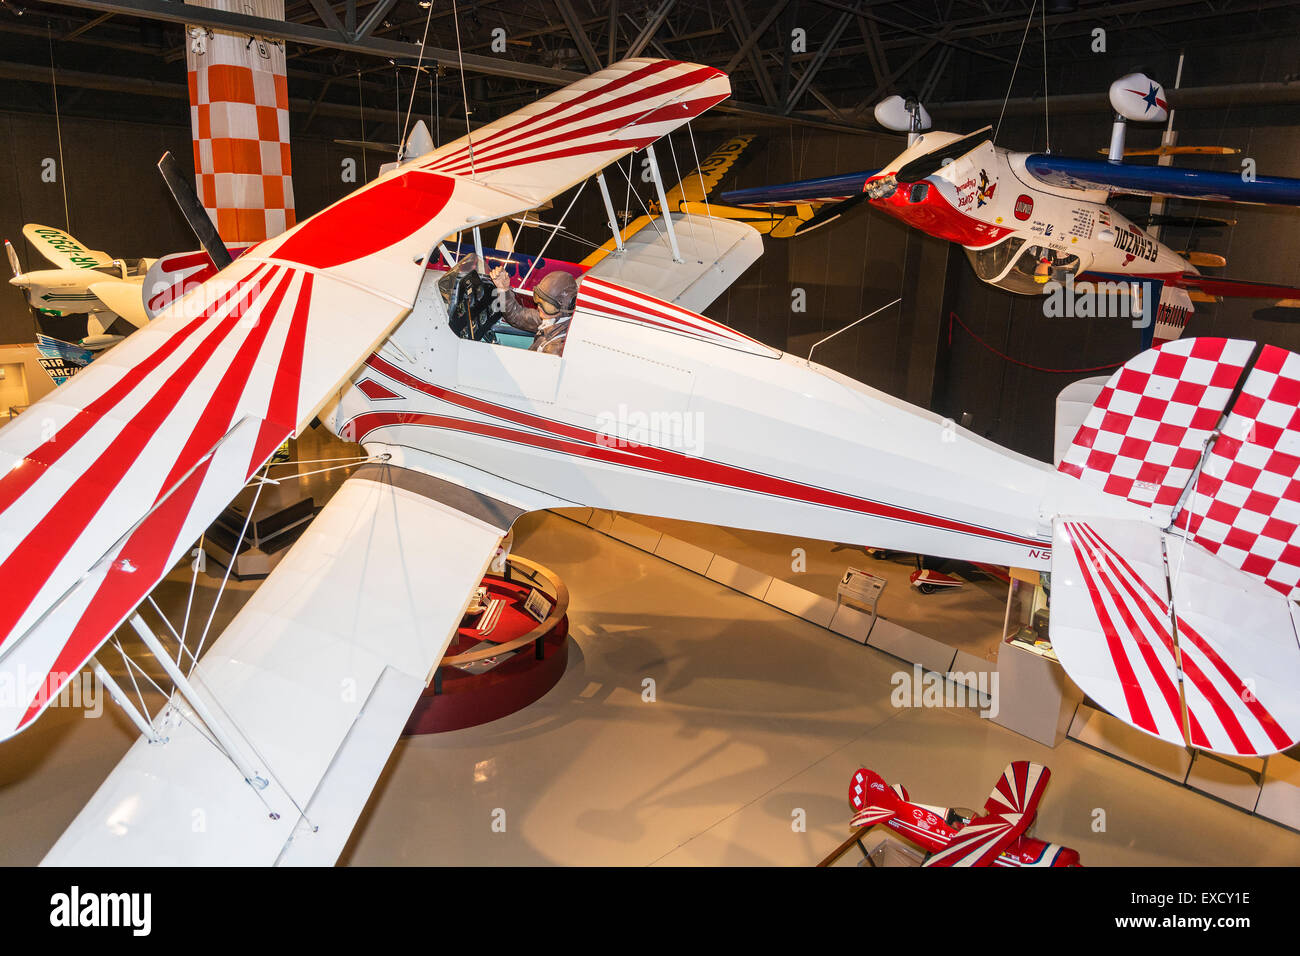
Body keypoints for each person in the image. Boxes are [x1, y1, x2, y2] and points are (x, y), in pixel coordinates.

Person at [490, 265, 578, 355]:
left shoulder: (555, 348)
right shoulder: (553, 319)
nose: (539, 307)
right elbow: (516, 315)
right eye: (538, 299)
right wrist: (503, 289)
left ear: (566, 307)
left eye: (547, 304)